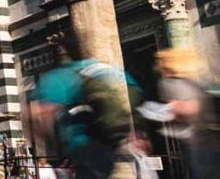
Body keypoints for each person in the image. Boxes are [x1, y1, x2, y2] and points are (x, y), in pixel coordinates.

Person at [31, 29, 144, 179]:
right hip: (115, 141)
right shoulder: (107, 68)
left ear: (63, 49)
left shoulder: (59, 77)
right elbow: (135, 93)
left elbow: (40, 114)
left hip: (83, 146)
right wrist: (140, 132)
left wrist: (49, 142)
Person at [156, 48, 219, 179]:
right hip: (208, 140)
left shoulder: (172, 83)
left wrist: (165, 111)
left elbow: (189, 108)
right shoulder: (195, 84)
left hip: (200, 142)